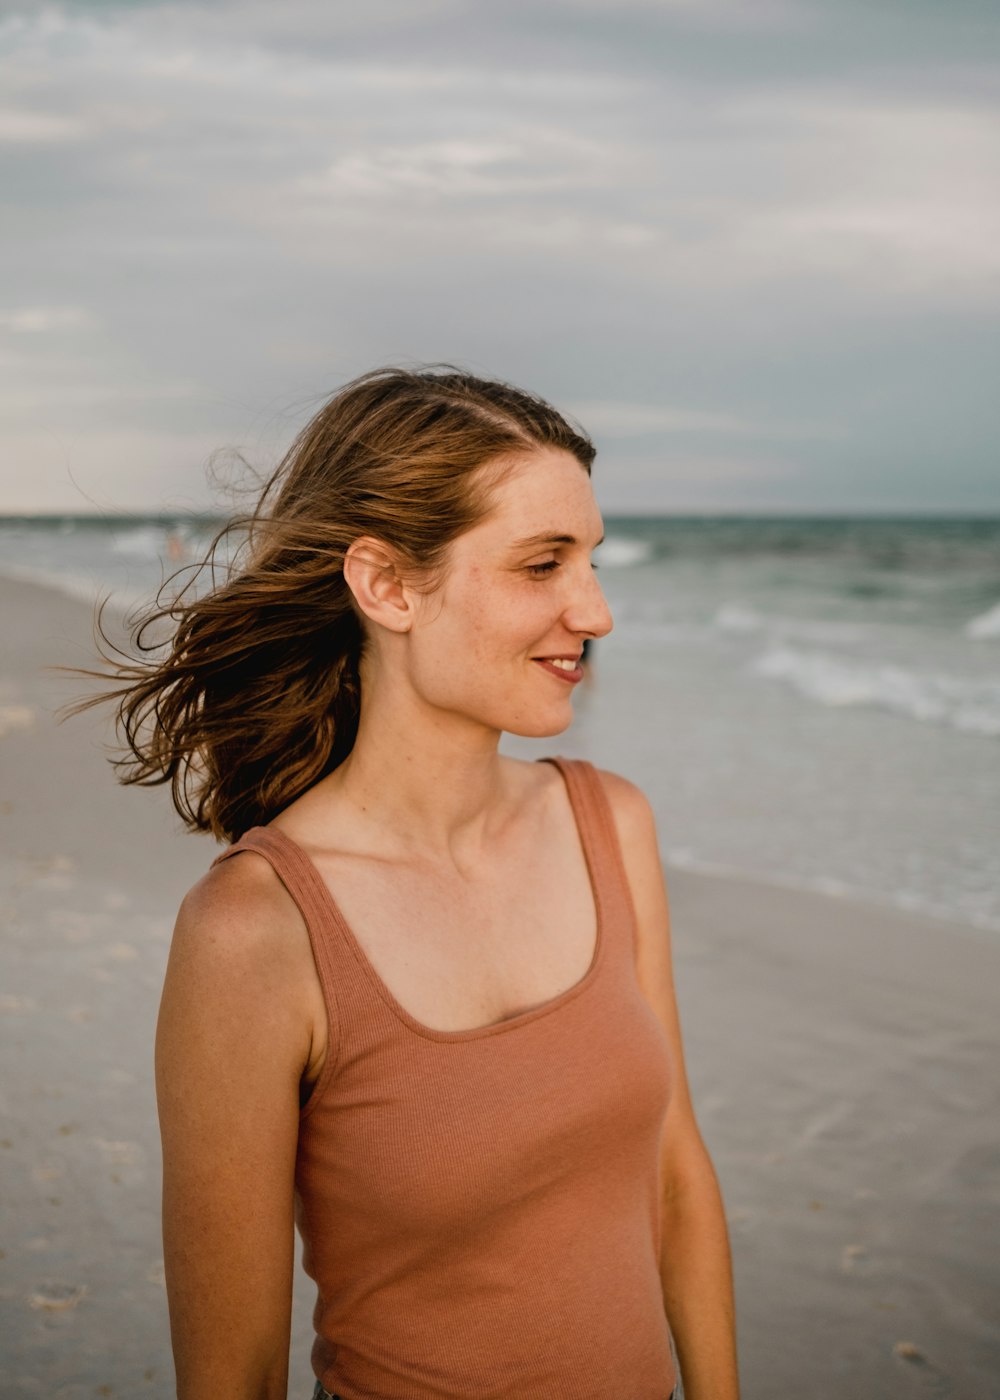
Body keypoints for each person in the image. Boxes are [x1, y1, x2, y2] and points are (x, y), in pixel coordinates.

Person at [99, 367, 739, 1400]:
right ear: (387, 584)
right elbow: (236, 1373)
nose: (597, 610)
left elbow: (673, 1180)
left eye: (591, 559)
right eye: (542, 563)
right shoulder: (258, 932)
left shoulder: (609, 825)